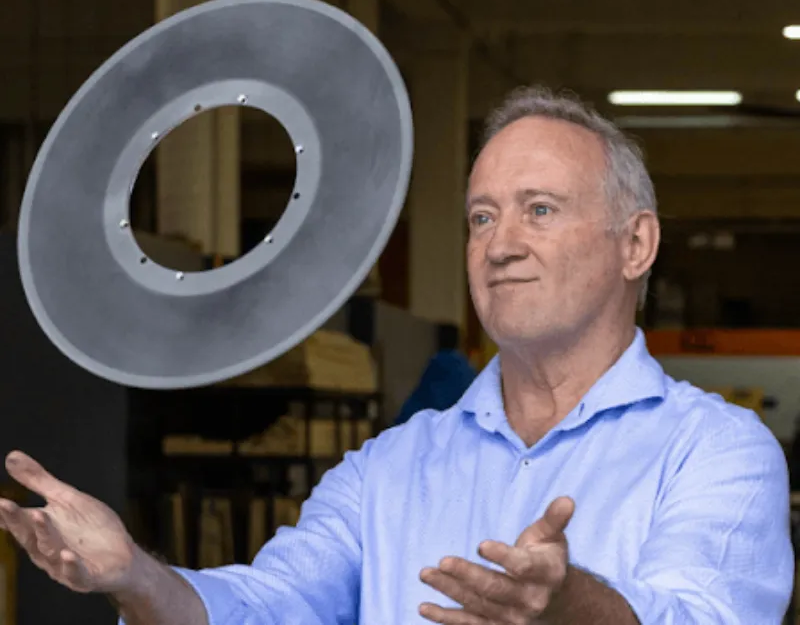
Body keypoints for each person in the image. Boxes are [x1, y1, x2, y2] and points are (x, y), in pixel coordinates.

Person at [0, 85, 793, 625]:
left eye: (540, 210)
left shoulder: (715, 452)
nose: (500, 245)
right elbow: (267, 606)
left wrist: (573, 611)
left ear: (637, 244)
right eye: (482, 218)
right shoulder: (388, 468)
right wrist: (137, 577)